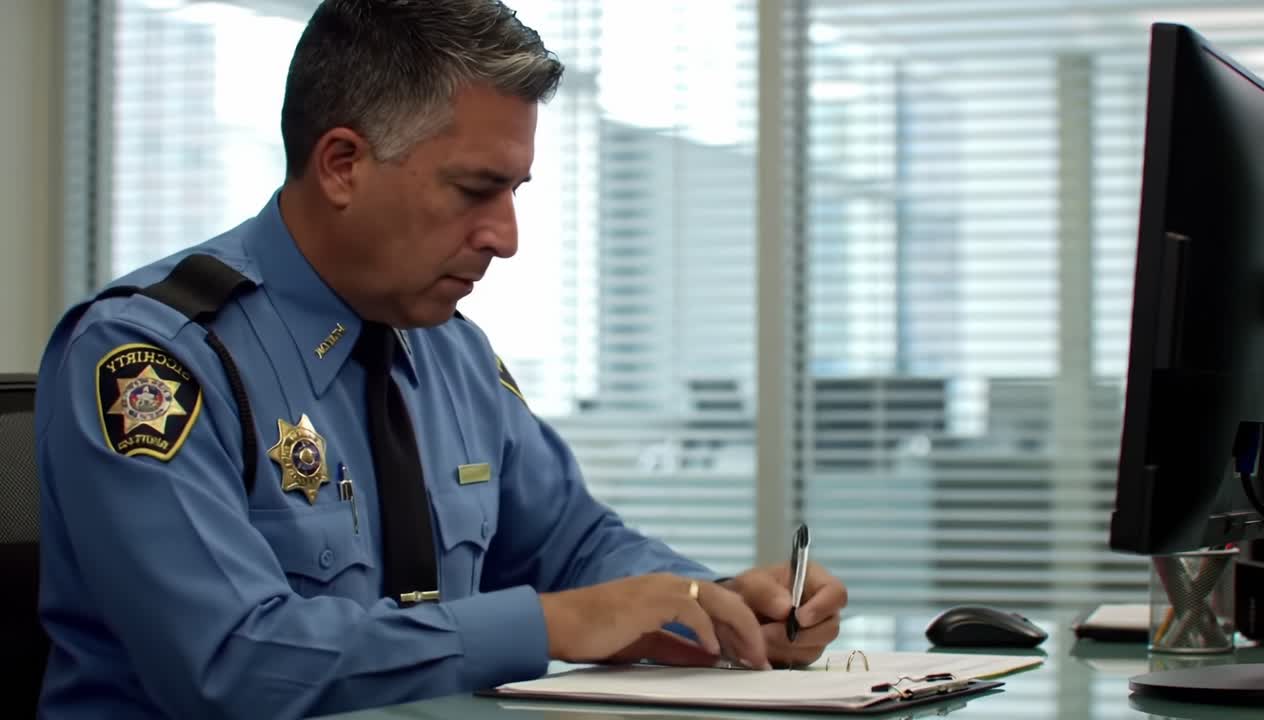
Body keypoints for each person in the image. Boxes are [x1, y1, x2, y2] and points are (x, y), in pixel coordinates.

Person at [34, 1, 848, 717]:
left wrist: (713, 601)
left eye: (516, 192)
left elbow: (576, 546)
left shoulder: (449, 351)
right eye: (473, 191)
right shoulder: (152, 362)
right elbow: (234, 667)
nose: (506, 237)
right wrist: (553, 623)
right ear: (344, 165)